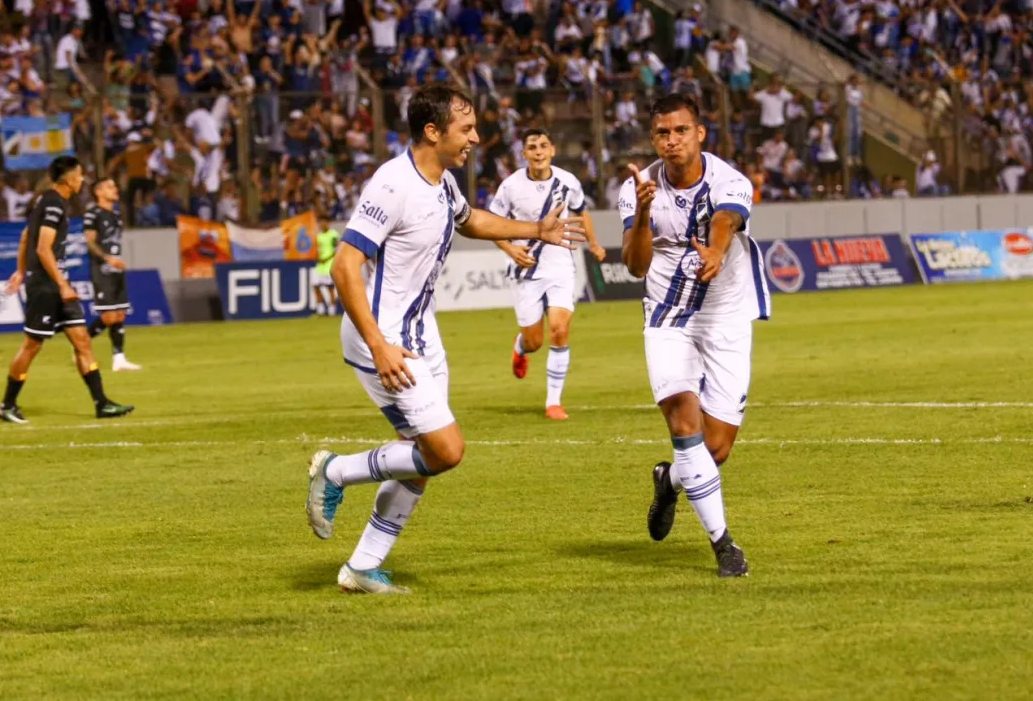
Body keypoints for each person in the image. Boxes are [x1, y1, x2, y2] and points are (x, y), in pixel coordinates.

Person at [305, 84, 586, 595]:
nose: (476, 138)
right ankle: (336, 470)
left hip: (422, 334)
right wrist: (379, 345)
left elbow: (470, 219)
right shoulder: (393, 184)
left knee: (423, 456)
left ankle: (362, 567)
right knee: (446, 450)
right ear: (433, 132)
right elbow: (345, 265)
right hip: (385, 338)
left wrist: (535, 230)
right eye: (466, 128)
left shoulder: (443, 182)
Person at [618, 94, 771, 578]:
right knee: (685, 424)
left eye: (681, 130)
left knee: (716, 448)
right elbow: (636, 265)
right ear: (653, 139)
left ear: (699, 133)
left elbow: (725, 219)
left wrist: (716, 252)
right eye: (662, 133)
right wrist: (644, 213)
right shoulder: (637, 188)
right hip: (667, 317)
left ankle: (670, 481)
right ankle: (724, 545)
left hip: (725, 316)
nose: (672, 141)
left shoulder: (730, 180)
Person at [0, 156, 134, 424]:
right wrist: (60, 284)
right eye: (80, 175)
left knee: (82, 340)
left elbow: (26, 236)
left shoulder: (49, 201)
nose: (82, 180)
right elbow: (42, 248)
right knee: (32, 345)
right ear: (70, 179)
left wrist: (21, 271)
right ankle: (7, 405)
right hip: (46, 286)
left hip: (57, 284)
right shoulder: (53, 204)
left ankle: (102, 403)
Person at [489, 128, 606, 420]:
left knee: (559, 329)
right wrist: (510, 249)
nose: (538, 151)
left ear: (552, 150)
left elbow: (581, 212)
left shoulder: (568, 181)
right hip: (525, 267)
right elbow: (492, 224)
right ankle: (521, 347)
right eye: (532, 147)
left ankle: (553, 402)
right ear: (524, 154)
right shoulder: (510, 186)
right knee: (534, 341)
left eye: (543, 146)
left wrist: (593, 243)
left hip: (560, 265)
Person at [83, 177, 142, 372]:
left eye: (114, 186)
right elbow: (90, 242)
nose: (115, 189)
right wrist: (107, 258)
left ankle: (119, 359)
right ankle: (81, 345)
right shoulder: (93, 214)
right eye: (110, 187)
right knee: (108, 316)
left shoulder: (116, 215)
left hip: (116, 267)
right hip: (101, 269)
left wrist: (116, 259)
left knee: (120, 314)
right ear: (98, 192)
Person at [313, 218, 341, 315]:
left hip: (329, 265)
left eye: (323, 223)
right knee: (315, 286)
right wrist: (317, 257)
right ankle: (320, 309)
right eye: (320, 223)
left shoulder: (333, 234)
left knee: (330, 288)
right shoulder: (319, 236)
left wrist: (326, 259)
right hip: (320, 266)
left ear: (328, 223)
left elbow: (337, 249)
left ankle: (332, 310)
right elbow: (317, 249)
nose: (322, 225)